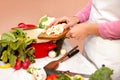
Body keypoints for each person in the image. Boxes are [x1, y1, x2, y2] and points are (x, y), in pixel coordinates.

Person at [49, 0, 120, 80]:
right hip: (91, 47)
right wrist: (76, 19)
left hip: (111, 56)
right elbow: (97, 3)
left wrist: (88, 29)